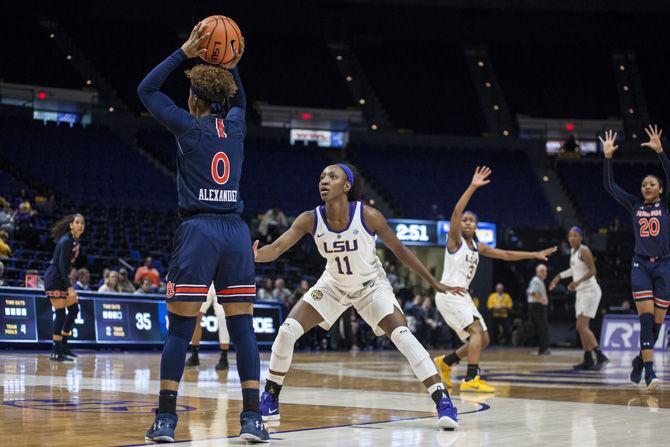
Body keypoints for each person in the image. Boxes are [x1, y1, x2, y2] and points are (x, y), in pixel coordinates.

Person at [254, 163, 464, 430]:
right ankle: (270, 397)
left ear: (347, 186)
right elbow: (277, 247)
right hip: (334, 284)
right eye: (321, 177)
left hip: (371, 286)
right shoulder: (310, 218)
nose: (324, 181)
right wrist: (256, 256)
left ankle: (443, 400)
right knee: (287, 331)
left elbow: (399, 250)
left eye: (332, 176)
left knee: (402, 335)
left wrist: (433, 282)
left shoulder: (369, 215)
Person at [137, 22, 266, 442]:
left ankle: (166, 421)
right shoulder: (239, 126)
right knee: (243, 329)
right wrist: (233, 64)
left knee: (179, 331)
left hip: (199, 232)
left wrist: (184, 52)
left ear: (193, 99)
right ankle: (252, 421)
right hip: (235, 232)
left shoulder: (188, 127)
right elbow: (240, 98)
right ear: (225, 99)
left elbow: (147, 91)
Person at [433, 167, 556, 393]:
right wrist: (473, 186)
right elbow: (456, 213)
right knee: (476, 333)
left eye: (472, 221)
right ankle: (471, 378)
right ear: (460, 225)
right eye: (465, 220)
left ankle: (446, 362)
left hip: (463, 295)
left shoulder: (477, 247)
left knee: (485, 338)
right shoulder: (455, 242)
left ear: (476, 226)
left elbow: (506, 255)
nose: (467, 222)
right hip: (449, 293)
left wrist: (534, 254)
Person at [601, 126, 670, 390]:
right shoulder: (634, 205)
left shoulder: (666, 205)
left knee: (657, 324)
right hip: (640, 264)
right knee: (645, 320)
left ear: (661, 189)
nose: (647, 187)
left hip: (665, 265)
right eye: (644, 184)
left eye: (652, 184)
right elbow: (609, 186)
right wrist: (607, 158)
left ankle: (639, 361)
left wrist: (661, 151)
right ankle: (650, 371)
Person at [549, 227, 609, 370]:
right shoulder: (573, 252)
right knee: (581, 328)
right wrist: (559, 276)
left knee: (581, 326)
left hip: (590, 291)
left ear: (581, 237)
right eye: (570, 236)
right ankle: (588, 359)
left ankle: (600, 356)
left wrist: (577, 282)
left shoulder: (584, 250)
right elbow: (574, 270)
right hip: (581, 293)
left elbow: (593, 270)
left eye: (575, 235)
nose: (572, 238)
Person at [43, 214, 85, 361]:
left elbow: (67, 264)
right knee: (60, 313)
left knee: (74, 309)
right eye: (77, 222)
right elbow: (61, 265)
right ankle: (56, 351)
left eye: (82, 223)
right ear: (71, 225)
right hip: (55, 278)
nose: (80, 225)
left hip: (60, 277)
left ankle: (64, 346)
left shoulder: (74, 240)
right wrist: (70, 288)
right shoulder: (67, 240)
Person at [185, 284, 230, 370]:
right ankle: (194, 355)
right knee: (196, 315)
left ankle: (224, 357)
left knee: (223, 318)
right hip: (206, 283)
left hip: (221, 283)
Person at [527, 264, 551, 355]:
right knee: (542, 328)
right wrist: (542, 301)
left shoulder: (539, 281)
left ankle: (543, 348)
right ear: (539, 272)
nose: (545, 273)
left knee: (541, 328)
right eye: (544, 271)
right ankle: (544, 349)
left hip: (537, 306)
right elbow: (533, 293)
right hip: (537, 306)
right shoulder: (536, 280)